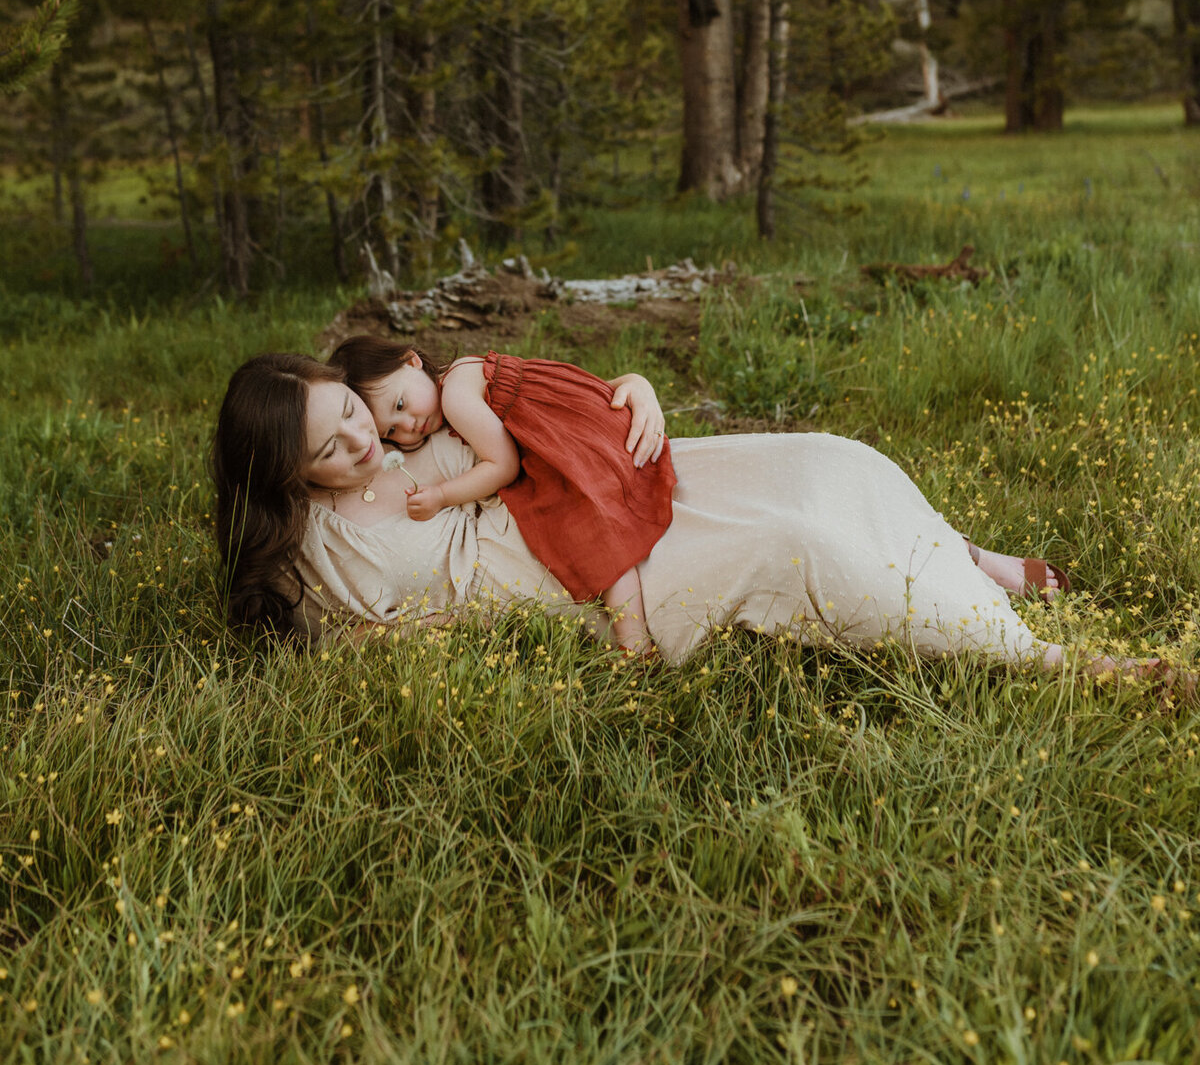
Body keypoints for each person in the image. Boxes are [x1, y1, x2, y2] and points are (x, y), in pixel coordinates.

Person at [212, 351, 1185, 692]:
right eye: (329, 450)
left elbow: (524, 395)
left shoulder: (401, 417)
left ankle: (969, 566)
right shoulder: (314, 555)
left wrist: (632, 388)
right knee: (798, 547)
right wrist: (448, 630)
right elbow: (359, 646)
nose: (359, 444)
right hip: (561, 576)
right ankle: (1045, 660)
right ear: (288, 478)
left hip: (576, 498)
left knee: (823, 462)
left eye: (348, 414)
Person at [329, 335, 676, 654]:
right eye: (391, 429)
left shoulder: (455, 397)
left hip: (569, 440)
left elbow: (503, 465)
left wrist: (441, 496)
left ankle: (635, 643)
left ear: (412, 361)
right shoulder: (461, 372)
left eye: (401, 403)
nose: (409, 425)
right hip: (582, 417)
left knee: (588, 532)